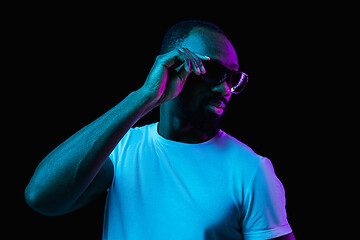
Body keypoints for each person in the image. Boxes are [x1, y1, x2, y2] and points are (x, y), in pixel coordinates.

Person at [25, 20, 295, 240]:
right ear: (174, 67)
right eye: (212, 71)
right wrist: (145, 96)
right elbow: (41, 197)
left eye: (232, 76)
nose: (225, 88)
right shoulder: (121, 149)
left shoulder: (251, 170)